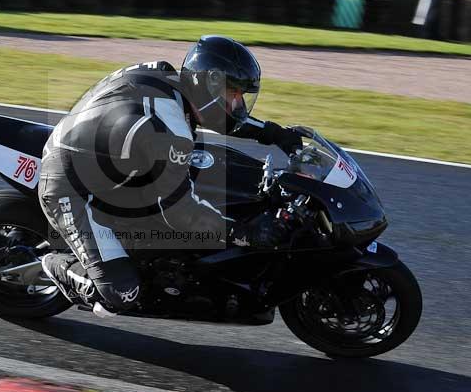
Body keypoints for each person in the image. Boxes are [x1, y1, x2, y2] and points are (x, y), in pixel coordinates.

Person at [39, 35, 302, 317]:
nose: (237, 104)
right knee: (121, 294)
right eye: (233, 94)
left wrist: (274, 133)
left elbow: (219, 116)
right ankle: (52, 262)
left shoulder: (171, 79)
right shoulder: (171, 132)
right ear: (207, 84)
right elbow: (179, 212)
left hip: (109, 160)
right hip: (73, 186)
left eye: (241, 96)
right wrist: (245, 234)